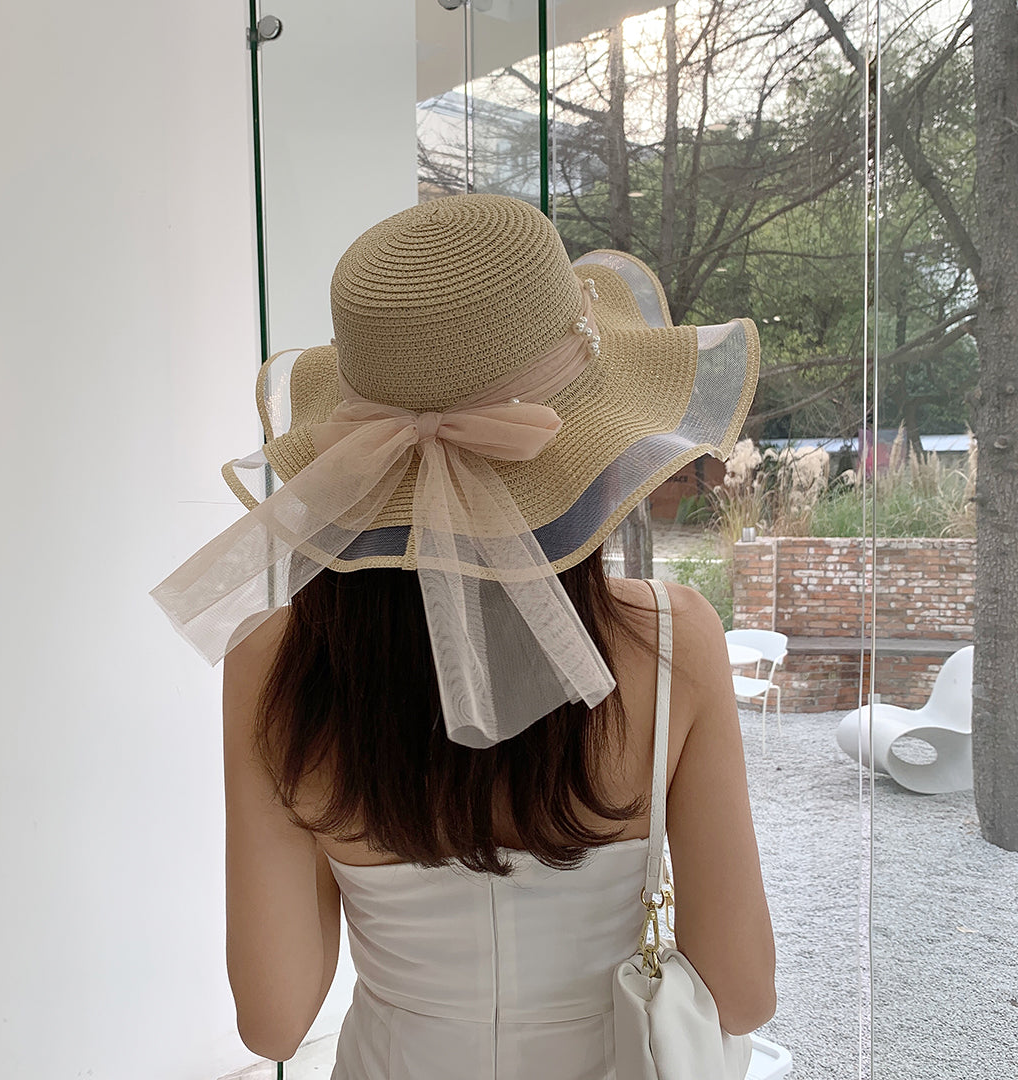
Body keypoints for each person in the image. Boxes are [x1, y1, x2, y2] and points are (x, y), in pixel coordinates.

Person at [151, 193, 775, 1078]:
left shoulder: (270, 665)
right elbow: (741, 994)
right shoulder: (673, 642)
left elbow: (275, 1020)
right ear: (590, 447)